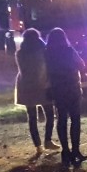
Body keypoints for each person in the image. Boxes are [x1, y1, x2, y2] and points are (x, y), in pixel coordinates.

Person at [45, 28, 87, 167]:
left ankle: (65, 151)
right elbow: (82, 64)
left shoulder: (47, 53)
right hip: (73, 88)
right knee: (75, 120)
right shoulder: (69, 51)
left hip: (57, 89)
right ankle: (76, 150)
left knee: (61, 119)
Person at [15, 28, 60, 156]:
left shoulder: (20, 53)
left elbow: (23, 70)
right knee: (50, 114)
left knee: (32, 117)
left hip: (26, 86)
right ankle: (48, 140)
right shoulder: (43, 51)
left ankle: (38, 145)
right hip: (42, 85)